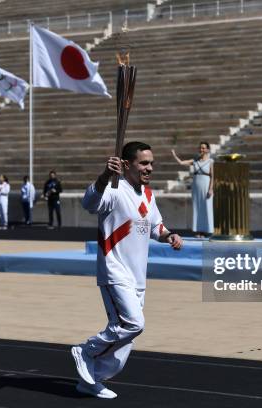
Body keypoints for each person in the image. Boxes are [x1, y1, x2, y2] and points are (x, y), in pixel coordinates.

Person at [71, 141, 183, 399]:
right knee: (133, 323)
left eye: (151, 163)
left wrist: (170, 236)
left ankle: (92, 380)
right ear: (126, 164)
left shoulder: (148, 195)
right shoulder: (113, 189)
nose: (150, 168)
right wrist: (104, 176)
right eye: (144, 163)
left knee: (125, 340)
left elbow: (155, 227)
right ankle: (87, 351)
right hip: (114, 271)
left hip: (137, 277)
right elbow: (89, 202)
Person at [171, 142, 214, 237]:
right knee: (197, 207)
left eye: (203, 148)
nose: (201, 150)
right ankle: (198, 230)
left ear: (207, 150)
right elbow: (181, 162)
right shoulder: (195, 161)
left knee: (206, 207)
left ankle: (206, 230)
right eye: (200, 148)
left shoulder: (210, 162)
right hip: (196, 186)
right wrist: (174, 155)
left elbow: (212, 176)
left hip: (206, 185)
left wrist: (211, 189)